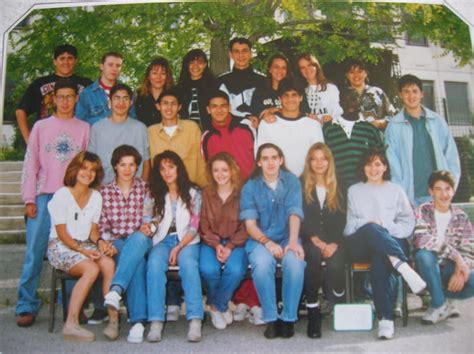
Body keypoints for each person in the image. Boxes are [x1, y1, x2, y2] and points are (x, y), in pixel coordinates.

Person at [15, 79, 90, 327]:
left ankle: (71, 306)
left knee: (72, 250)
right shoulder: (40, 127)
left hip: (71, 199)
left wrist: (83, 200)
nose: (66, 101)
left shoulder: (84, 128)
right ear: (53, 99)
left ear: (76, 99)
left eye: (70, 96)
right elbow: (31, 164)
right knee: (34, 252)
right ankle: (26, 304)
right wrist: (29, 198)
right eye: (61, 97)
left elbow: (87, 167)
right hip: (44, 197)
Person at [344, 148, 426, 340]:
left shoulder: (396, 190)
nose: (373, 168)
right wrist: (371, 224)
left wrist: (385, 227)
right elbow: (348, 227)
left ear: (385, 167)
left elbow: (408, 224)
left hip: (391, 243)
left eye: (377, 164)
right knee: (371, 229)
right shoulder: (354, 190)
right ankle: (403, 266)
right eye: (369, 164)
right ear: (363, 167)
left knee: (381, 259)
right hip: (361, 243)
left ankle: (386, 320)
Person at [47, 151, 119, 341]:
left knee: (108, 263)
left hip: (85, 244)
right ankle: (71, 324)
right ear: (75, 169)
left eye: (93, 170)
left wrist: (101, 242)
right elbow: (62, 234)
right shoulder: (61, 195)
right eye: (84, 168)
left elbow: (93, 230)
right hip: (61, 246)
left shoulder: (96, 196)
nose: (88, 173)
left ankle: (113, 320)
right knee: (91, 268)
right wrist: (82, 251)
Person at [240, 143, 306, 339]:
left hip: (288, 236)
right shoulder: (250, 187)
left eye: (274, 157)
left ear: (281, 160)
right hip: (260, 239)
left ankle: (288, 318)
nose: (270, 162)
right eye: (265, 158)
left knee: (295, 263)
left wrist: (293, 243)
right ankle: (271, 318)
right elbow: (250, 225)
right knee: (262, 264)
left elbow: (295, 212)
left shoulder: (292, 181)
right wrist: (268, 242)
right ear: (259, 162)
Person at [146, 150, 204, 343]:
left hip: (187, 240)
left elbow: (195, 226)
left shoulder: (194, 192)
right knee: (154, 265)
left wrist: (179, 247)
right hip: (162, 241)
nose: (167, 172)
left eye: (171, 167)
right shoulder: (153, 193)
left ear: (179, 168)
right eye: (162, 169)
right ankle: (155, 321)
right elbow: (148, 220)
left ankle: (195, 319)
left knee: (189, 265)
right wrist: (150, 225)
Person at [100, 145, 154, 344]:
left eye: (132, 165)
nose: (127, 169)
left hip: (141, 240)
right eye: (123, 164)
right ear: (115, 166)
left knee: (138, 240)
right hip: (116, 243)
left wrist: (149, 227)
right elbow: (102, 221)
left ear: (137, 167)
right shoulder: (105, 191)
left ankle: (116, 290)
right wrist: (106, 241)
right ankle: (138, 322)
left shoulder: (145, 188)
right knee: (137, 262)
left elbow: (151, 218)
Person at [385, 74, 460, 206]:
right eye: (406, 92)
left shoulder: (437, 121)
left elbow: (451, 155)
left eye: (414, 91)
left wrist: (450, 186)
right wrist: (400, 192)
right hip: (411, 196)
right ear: (400, 95)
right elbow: (392, 162)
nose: (411, 96)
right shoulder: (394, 125)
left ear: (421, 94)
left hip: (439, 195)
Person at [414, 170, 474, 325]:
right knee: (424, 255)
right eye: (438, 189)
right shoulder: (423, 211)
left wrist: (460, 271)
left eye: (447, 189)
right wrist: (457, 257)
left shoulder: (461, 217)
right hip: (426, 268)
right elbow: (422, 240)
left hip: (450, 269)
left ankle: (446, 299)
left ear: (453, 191)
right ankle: (438, 304)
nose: (444, 194)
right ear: (431, 191)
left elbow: (469, 249)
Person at [300, 143, 346, 339]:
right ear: (309, 162)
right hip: (310, 238)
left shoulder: (340, 183)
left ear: (329, 161)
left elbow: (344, 217)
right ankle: (313, 313)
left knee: (335, 265)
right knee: (312, 256)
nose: (319, 163)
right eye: (314, 158)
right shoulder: (300, 183)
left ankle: (337, 300)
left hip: (335, 239)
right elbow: (298, 215)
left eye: (323, 158)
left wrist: (334, 242)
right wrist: (315, 239)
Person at [199, 152, 249, 330]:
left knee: (235, 269)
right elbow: (203, 224)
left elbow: (247, 225)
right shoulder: (206, 193)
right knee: (208, 269)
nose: (220, 174)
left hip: (237, 242)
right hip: (211, 241)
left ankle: (216, 305)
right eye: (216, 170)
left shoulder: (243, 193)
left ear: (232, 171)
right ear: (210, 173)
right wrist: (218, 245)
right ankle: (224, 303)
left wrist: (230, 246)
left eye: (224, 170)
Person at [16, 44, 92, 143]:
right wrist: (28, 139)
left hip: (77, 138)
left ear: (76, 61)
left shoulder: (87, 84)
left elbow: (97, 113)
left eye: (70, 58)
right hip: (47, 139)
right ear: (55, 61)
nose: (66, 62)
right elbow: (21, 111)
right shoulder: (40, 83)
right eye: (62, 58)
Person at [257, 78, 324, 177]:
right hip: (277, 182)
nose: (290, 99)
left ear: (301, 97)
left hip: (307, 183)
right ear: (280, 98)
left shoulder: (313, 125)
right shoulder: (266, 124)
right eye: (286, 95)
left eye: (294, 95)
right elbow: (261, 158)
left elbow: (319, 157)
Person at [323, 88, 384, 194]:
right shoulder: (329, 128)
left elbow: (381, 159)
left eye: (353, 100)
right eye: (345, 101)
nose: (349, 104)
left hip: (366, 189)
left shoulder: (370, 129)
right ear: (340, 103)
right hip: (337, 190)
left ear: (359, 101)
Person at [88, 83, 150, 184]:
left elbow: (146, 163)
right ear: (109, 102)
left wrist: (141, 189)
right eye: (117, 98)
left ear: (131, 102)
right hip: (104, 188)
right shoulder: (97, 128)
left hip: (134, 190)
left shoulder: (140, 128)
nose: (121, 102)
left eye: (125, 98)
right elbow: (91, 162)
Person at [148, 89, 207, 187]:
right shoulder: (150, 132)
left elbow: (201, 161)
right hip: (162, 190)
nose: (169, 107)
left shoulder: (192, 128)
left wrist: (204, 187)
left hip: (190, 189)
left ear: (179, 107)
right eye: (165, 103)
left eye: (173, 104)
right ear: (158, 106)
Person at [201, 90, 254, 179]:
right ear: (208, 110)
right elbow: (208, 166)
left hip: (251, 186)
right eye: (214, 106)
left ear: (229, 107)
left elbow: (259, 154)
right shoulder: (206, 136)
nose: (219, 110)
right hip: (224, 188)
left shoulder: (246, 125)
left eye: (223, 106)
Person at [76, 52, 135, 125]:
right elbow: (79, 123)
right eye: (110, 65)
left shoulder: (128, 93)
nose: (114, 69)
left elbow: (132, 121)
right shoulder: (87, 93)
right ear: (101, 66)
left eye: (118, 66)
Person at [217, 37, 265, 127]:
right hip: (229, 129)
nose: (241, 55)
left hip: (258, 129)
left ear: (251, 54)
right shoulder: (221, 81)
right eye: (236, 51)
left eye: (245, 51)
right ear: (230, 54)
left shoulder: (263, 80)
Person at [344, 59, 396, 130]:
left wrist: (381, 123)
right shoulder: (342, 95)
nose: (356, 75)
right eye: (351, 72)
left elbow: (394, 116)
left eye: (360, 71)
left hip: (375, 138)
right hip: (351, 138)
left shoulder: (378, 92)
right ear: (347, 75)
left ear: (366, 73)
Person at [176, 49, 218, 131]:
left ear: (205, 65)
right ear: (187, 65)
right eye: (192, 63)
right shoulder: (178, 89)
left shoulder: (214, 85)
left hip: (210, 132)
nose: (196, 66)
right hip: (185, 133)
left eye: (200, 62)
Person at [296, 53, 342, 123]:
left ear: (316, 66)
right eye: (302, 68)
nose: (307, 70)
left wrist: (331, 117)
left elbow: (339, 111)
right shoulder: (299, 91)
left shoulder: (331, 88)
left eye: (309, 65)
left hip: (329, 130)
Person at [249, 53, 291, 126]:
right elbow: (255, 117)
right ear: (270, 69)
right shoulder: (259, 92)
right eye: (276, 67)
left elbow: (302, 112)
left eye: (284, 68)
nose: (280, 70)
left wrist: (274, 110)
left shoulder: (292, 92)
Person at [135, 57, 174, 127]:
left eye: (163, 73)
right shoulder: (138, 95)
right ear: (149, 76)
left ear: (167, 77)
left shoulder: (174, 95)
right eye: (155, 73)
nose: (158, 77)